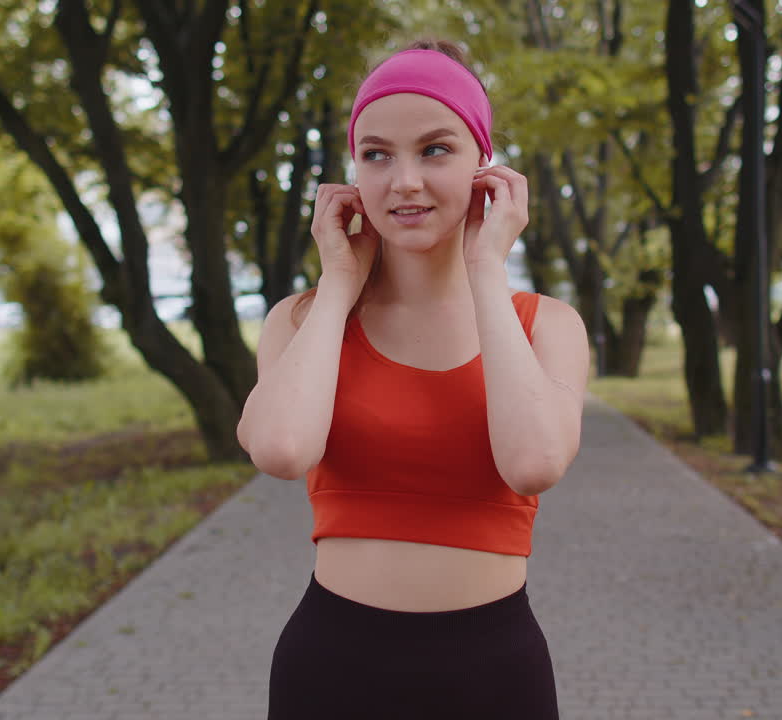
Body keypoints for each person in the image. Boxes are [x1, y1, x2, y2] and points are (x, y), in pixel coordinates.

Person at [237, 39, 589, 720]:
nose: (403, 180)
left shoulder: (546, 324)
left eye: (434, 149)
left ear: (485, 166)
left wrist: (487, 268)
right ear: (351, 172)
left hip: (493, 675)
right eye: (376, 154)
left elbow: (534, 462)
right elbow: (281, 449)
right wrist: (339, 280)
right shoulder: (305, 319)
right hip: (331, 668)